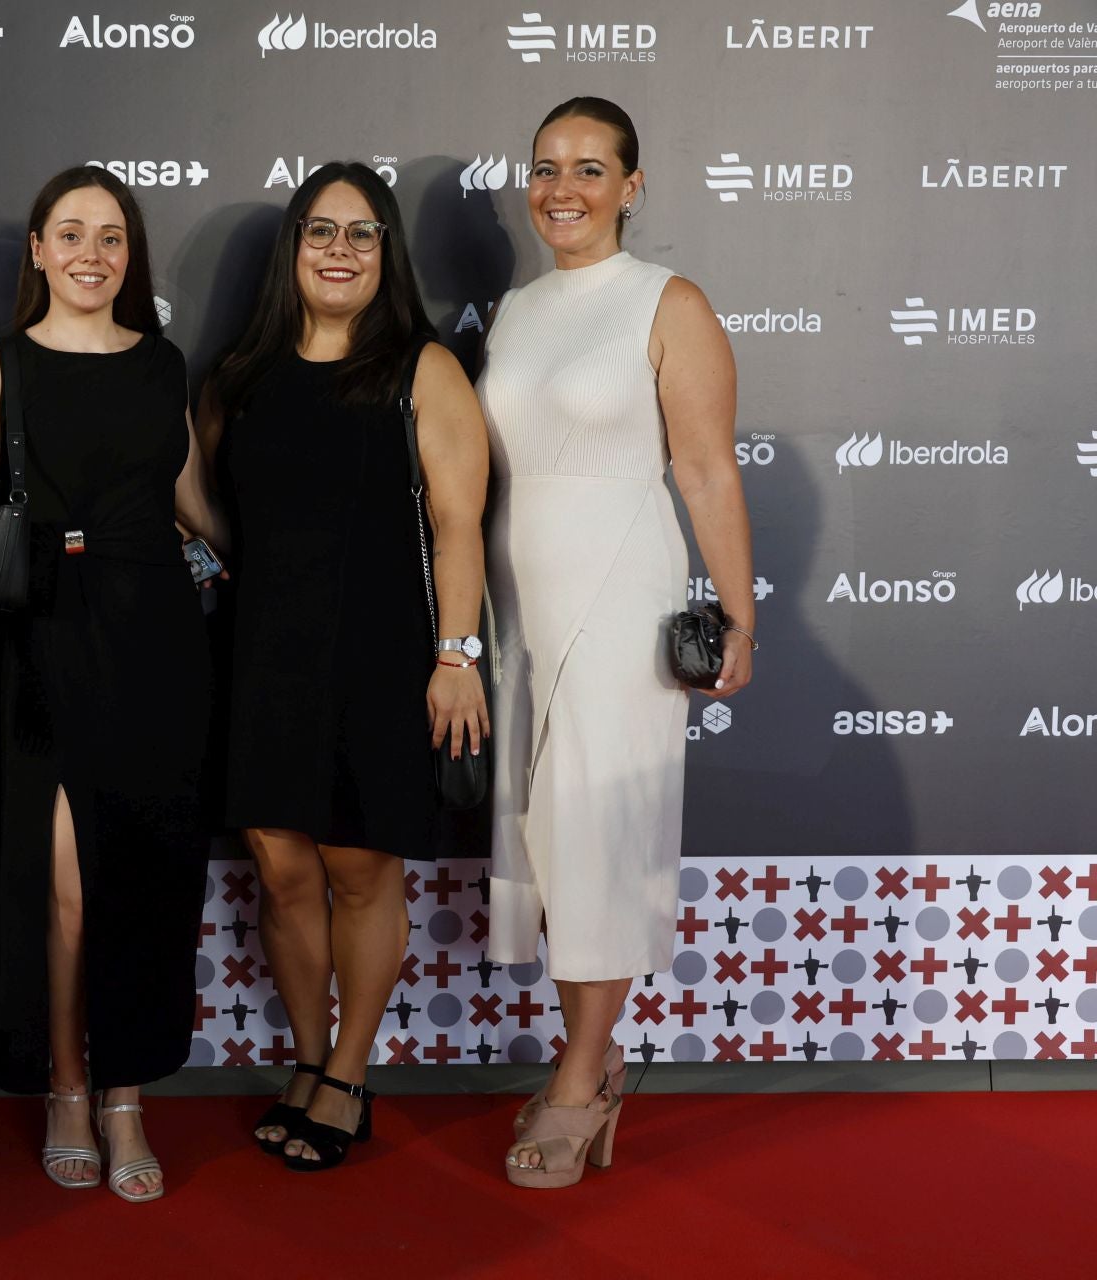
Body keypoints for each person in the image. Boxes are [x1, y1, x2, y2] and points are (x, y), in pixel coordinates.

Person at [479, 97, 756, 1188]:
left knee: (599, 837)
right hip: (519, 600)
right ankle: (594, 1055)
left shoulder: (667, 302)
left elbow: (706, 469)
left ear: (633, 187)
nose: (563, 188)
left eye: (591, 169)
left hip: (619, 587)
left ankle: (580, 1081)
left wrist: (739, 613)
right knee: (549, 843)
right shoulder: (513, 308)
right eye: (546, 166)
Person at [0, 165, 223, 1203]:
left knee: (145, 876)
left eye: (112, 236)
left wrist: (280, 585)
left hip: (157, 642)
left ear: (127, 255)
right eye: (72, 234)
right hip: (42, 637)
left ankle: (126, 1093)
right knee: (63, 889)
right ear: (40, 251)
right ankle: (64, 1084)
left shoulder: (162, 364)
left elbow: (190, 497)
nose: (93, 254)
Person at [200, 162, 491, 1171]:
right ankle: (310, 1060)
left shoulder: (423, 369)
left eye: (361, 234)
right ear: (293, 247)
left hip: (379, 653)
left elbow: (459, 527)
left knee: (360, 867)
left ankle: (351, 1072)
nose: (338, 250)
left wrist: (457, 655)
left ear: (386, 253)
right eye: (320, 230)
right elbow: (204, 501)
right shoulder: (242, 373)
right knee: (281, 868)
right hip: (262, 650)